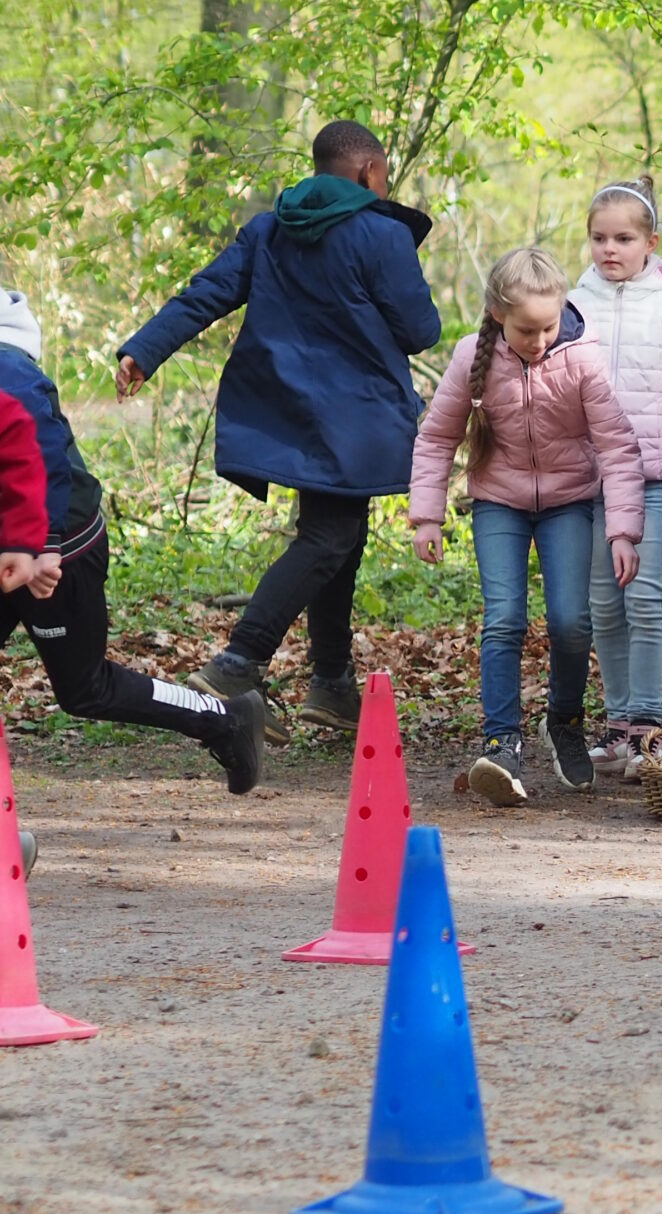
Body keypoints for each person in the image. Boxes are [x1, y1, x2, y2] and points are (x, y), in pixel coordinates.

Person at [115, 120, 441, 737]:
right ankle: (240, 659)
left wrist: (143, 352)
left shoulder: (268, 229)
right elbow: (420, 330)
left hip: (285, 411)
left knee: (340, 536)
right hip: (356, 418)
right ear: (371, 173)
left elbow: (206, 293)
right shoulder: (380, 236)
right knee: (329, 538)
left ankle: (333, 684)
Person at [0, 292, 267, 793]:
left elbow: (39, 450)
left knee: (85, 689)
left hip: (59, 551)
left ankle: (226, 719)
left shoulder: (7, 369)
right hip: (14, 550)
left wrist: (40, 543)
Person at [408, 247, 646, 807]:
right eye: (526, 329)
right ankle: (502, 741)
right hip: (498, 502)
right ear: (497, 314)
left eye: (548, 326)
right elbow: (438, 438)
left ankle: (563, 719)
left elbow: (616, 445)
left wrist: (623, 531)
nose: (539, 340)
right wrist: (426, 516)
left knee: (569, 619)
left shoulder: (581, 361)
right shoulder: (473, 359)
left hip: (568, 501)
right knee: (505, 617)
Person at [569, 178, 662, 775]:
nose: (609, 249)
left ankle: (647, 724)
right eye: (598, 238)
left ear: (651, 242)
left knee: (643, 597)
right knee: (601, 603)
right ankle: (617, 724)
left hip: (652, 477)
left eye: (623, 238)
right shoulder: (572, 305)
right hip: (589, 481)